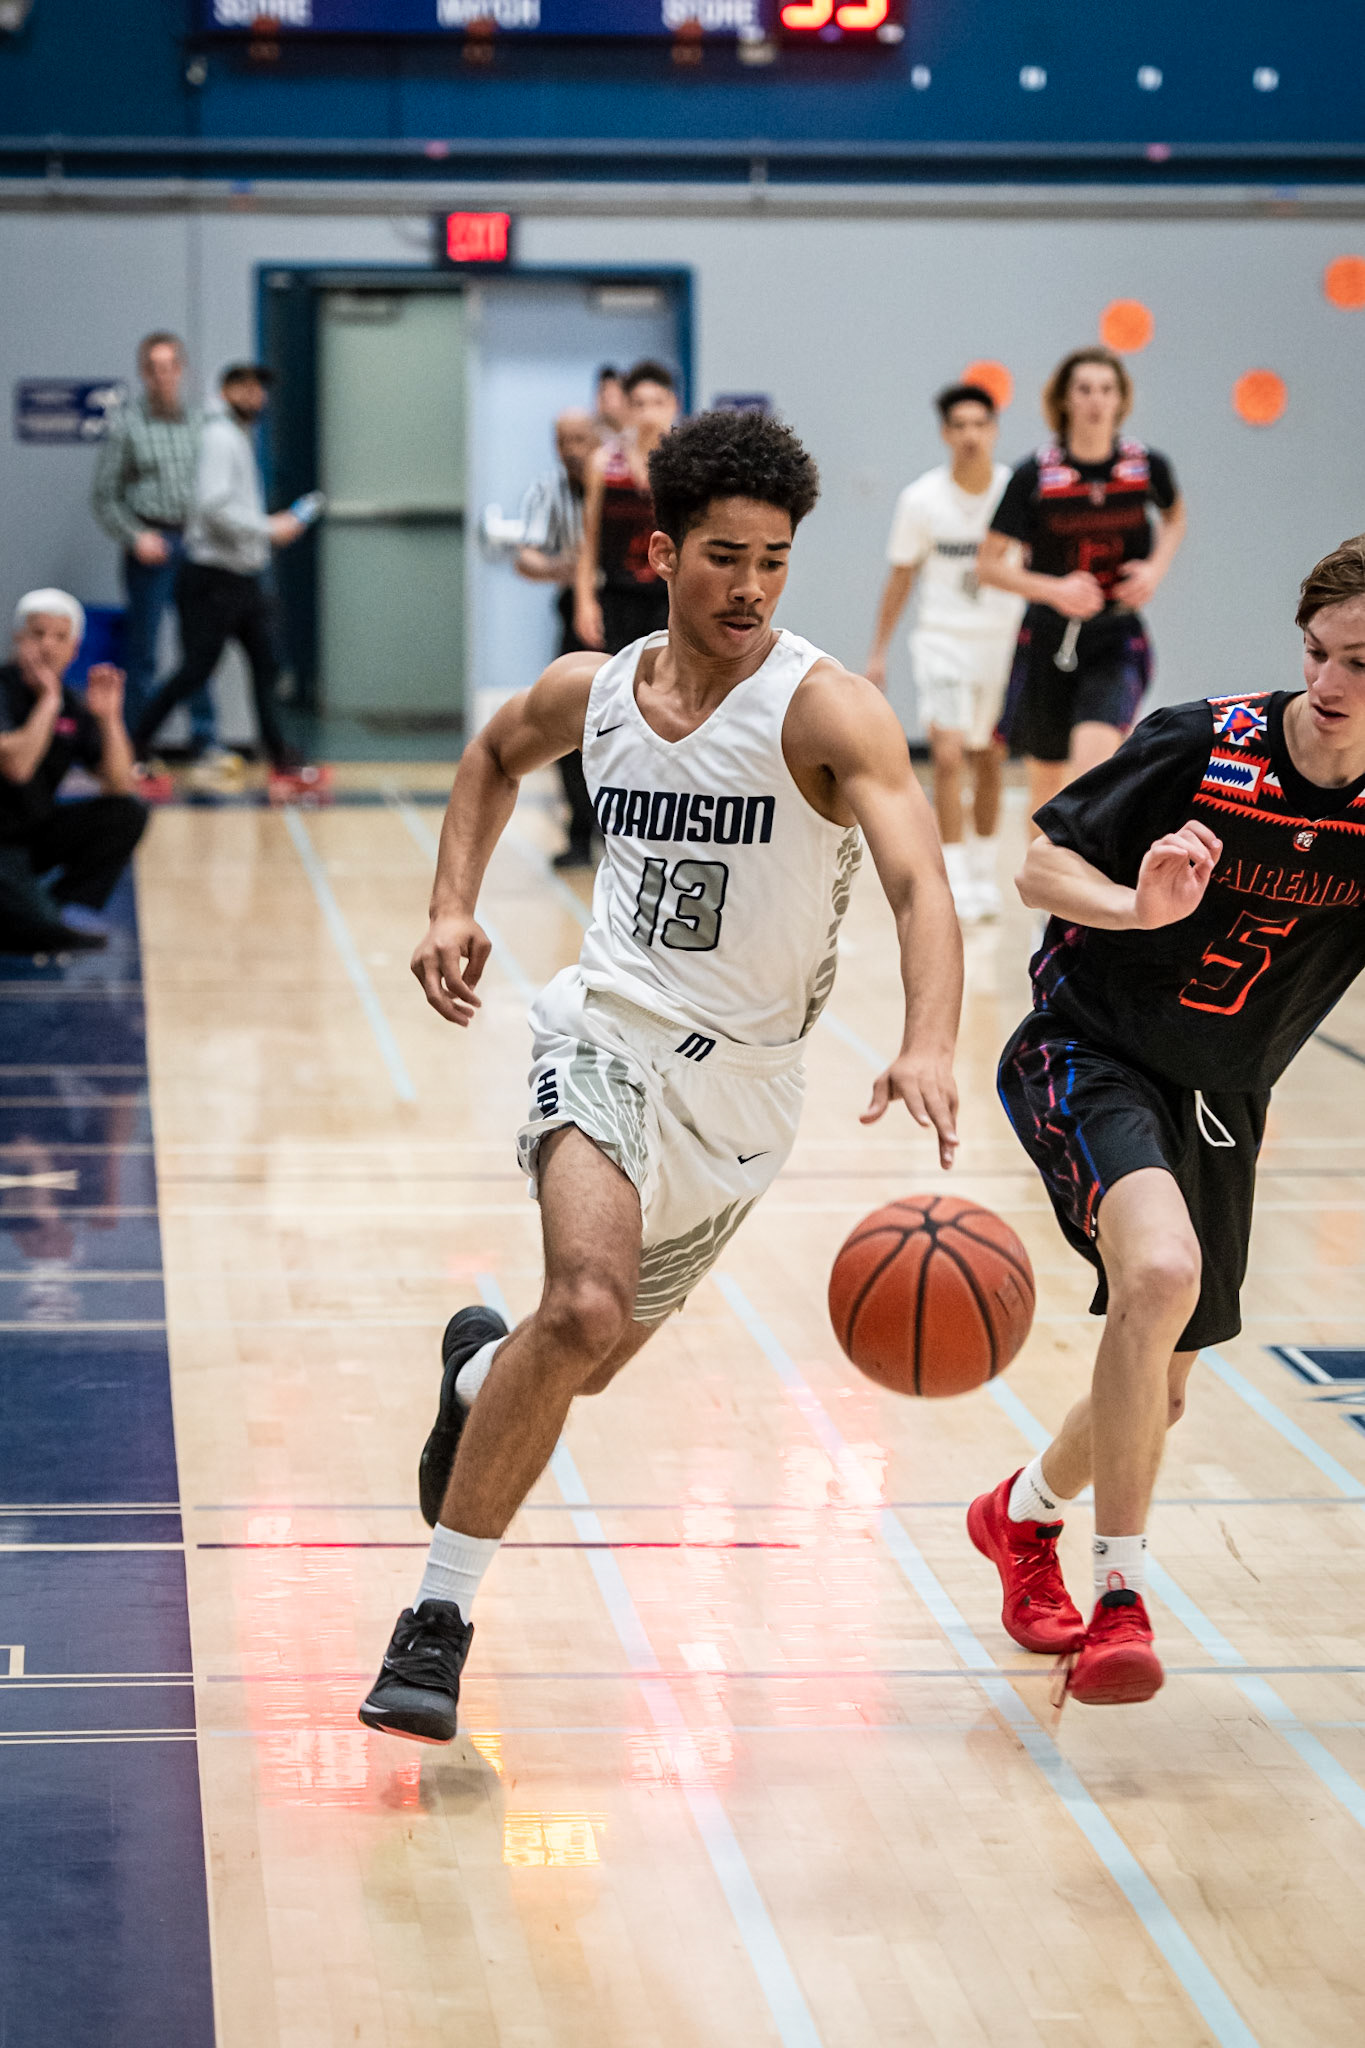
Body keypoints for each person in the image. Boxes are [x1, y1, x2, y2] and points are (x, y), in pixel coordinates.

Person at [359, 408, 964, 1743]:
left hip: (746, 1097)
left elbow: (921, 883)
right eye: (726, 556)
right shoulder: (596, 691)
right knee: (581, 1307)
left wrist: (928, 1038)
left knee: (572, 1365)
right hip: (607, 1033)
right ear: (662, 552)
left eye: (775, 560)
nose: (751, 587)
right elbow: (490, 757)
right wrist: (451, 904)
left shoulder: (824, 708)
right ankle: (436, 1620)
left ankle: (475, 1378)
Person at [971, 532, 1365, 1707]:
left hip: (1224, 1095)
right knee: (1159, 1272)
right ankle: (1122, 1598)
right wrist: (1133, 910)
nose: (1330, 682)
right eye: (1318, 652)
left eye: (1360, 663)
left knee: (1165, 1387)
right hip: (1090, 1049)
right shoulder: (1204, 743)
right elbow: (1039, 867)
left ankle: (1021, 1513)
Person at [976, 345, 1186, 820]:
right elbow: (987, 566)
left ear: (1121, 400)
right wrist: (1054, 590)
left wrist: (1155, 568)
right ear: (1065, 400)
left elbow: (1175, 517)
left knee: (1090, 774)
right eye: (1085, 389)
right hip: (1047, 638)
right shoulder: (1034, 475)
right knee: (1046, 792)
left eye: (1107, 390)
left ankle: (1087, 862)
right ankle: (1045, 869)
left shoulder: (1146, 466)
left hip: (1116, 636)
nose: (1096, 400)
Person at [865, 383, 1024, 921]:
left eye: (980, 424)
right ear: (945, 433)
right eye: (960, 425)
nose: (970, 435)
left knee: (989, 758)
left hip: (1002, 644)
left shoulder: (1016, 493)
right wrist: (879, 650)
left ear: (994, 430)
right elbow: (900, 577)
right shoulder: (921, 499)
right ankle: (953, 875)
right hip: (942, 641)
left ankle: (983, 873)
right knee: (949, 755)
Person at [130, 364, 322, 797]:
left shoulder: (236, 435)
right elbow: (213, 507)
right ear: (227, 390)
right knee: (196, 669)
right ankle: (134, 745)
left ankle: (280, 755)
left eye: (260, 389)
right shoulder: (220, 437)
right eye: (246, 388)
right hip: (214, 578)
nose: (256, 396)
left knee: (266, 663)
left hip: (242, 577)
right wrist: (268, 528)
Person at [91, 332, 226, 776]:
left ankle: (205, 739)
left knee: (199, 647)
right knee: (144, 651)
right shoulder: (128, 424)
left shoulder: (202, 423)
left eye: (170, 367)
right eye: (154, 368)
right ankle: (137, 744)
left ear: (181, 370)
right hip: (152, 545)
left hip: (197, 546)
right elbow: (105, 496)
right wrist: (135, 537)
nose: (163, 376)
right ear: (144, 374)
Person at [0, 590, 146, 955]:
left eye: (59, 637)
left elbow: (120, 784)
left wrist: (109, 719)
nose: (47, 645)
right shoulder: (5, 689)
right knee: (36, 934)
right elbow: (17, 767)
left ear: (74, 649)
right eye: (37, 634)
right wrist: (48, 702)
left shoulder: (74, 705)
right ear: (18, 639)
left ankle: (60, 906)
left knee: (127, 813)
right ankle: (34, 912)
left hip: (33, 833)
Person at [515, 409, 601, 867]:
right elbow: (525, 556)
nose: (571, 450)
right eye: (563, 441)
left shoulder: (625, 483)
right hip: (577, 610)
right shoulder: (547, 491)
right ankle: (580, 831)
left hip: (632, 607)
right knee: (571, 716)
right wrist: (565, 570)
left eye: (580, 439)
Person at [574, 360, 680, 656]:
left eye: (657, 403)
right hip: (619, 593)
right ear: (627, 408)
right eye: (639, 404)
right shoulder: (603, 462)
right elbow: (589, 540)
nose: (648, 413)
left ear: (673, 405)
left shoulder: (685, 464)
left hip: (670, 594)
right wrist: (585, 602)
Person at [595, 365, 629, 438]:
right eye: (601, 390)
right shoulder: (592, 435)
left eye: (611, 395)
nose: (604, 396)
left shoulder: (639, 436)